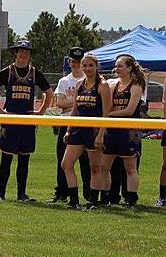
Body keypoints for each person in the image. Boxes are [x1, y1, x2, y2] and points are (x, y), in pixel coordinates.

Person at [0, 40, 53, 203]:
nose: (23, 54)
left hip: (28, 122)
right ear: (15, 53)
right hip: (11, 122)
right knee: (6, 159)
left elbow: (49, 92)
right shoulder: (7, 72)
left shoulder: (35, 73)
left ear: (30, 55)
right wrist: (0, 111)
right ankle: (1, 194)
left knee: (24, 160)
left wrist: (41, 112)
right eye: (21, 51)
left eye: (27, 52)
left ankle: (22, 194)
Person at [60, 53, 109, 210]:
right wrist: (69, 129)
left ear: (96, 67)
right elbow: (75, 109)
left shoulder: (103, 85)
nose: (87, 68)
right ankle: (74, 200)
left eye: (90, 65)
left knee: (95, 166)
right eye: (85, 65)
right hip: (78, 130)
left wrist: (101, 133)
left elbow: (106, 112)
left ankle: (93, 201)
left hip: (94, 130)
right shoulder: (80, 85)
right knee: (66, 164)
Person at [94, 54, 144, 208]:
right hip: (112, 130)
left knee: (130, 167)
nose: (117, 69)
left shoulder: (136, 86)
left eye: (120, 66)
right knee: (104, 166)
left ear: (129, 68)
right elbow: (106, 105)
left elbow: (129, 111)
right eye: (116, 66)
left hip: (128, 131)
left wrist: (108, 114)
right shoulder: (112, 85)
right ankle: (105, 197)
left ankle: (131, 199)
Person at [50, 47, 89, 204]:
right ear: (69, 62)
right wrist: (81, 100)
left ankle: (88, 194)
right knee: (62, 160)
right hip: (66, 123)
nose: (76, 64)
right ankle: (62, 192)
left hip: (85, 124)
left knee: (86, 162)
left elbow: (91, 105)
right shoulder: (64, 81)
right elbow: (59, 103)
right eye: (73, 61)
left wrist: (71, 102)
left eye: (79, 62)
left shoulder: (91, 80)